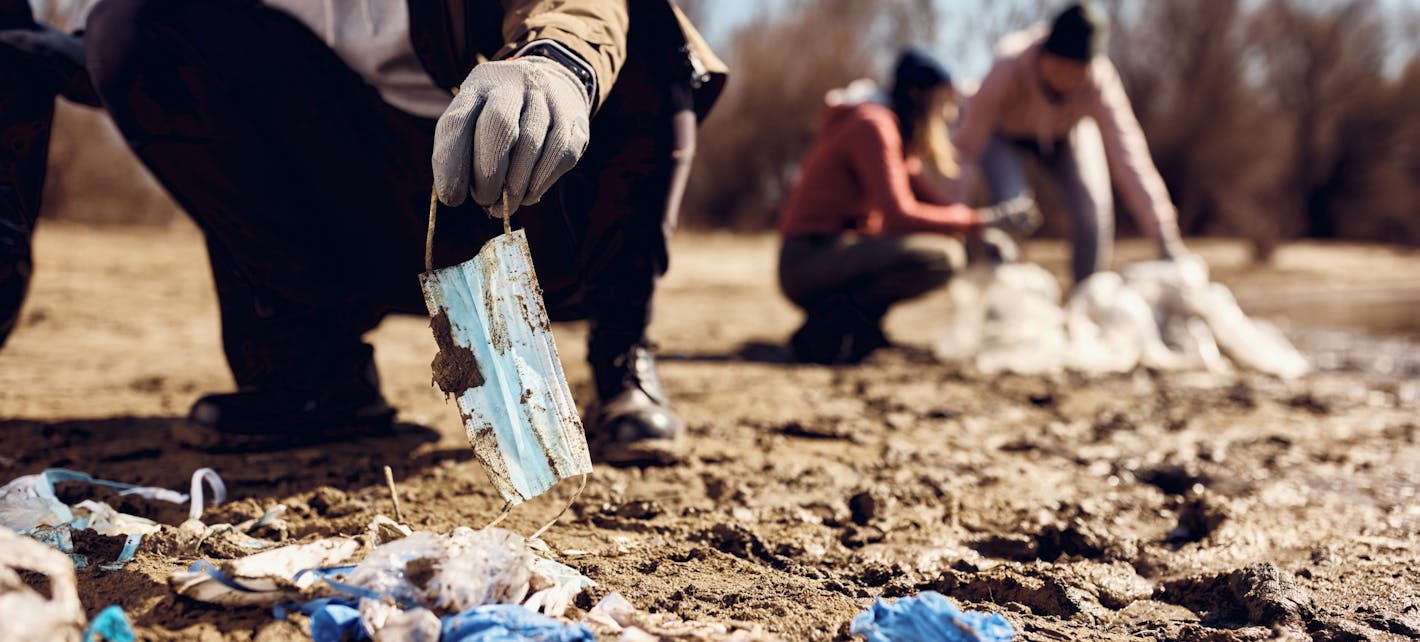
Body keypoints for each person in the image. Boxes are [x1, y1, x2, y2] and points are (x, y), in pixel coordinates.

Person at [0, 0, 726, 465]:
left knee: (647, 25)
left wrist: (558, 60)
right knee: (132, 22)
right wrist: (94, 58)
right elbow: (195, 60)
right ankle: (316, 374)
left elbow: (578, 6)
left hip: (534, 188)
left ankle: (622, 353)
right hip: (362, 202)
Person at [777, 48, 1035, 364]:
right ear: (917, 95)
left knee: (950, 247)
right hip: (806, 259)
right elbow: (899, 214)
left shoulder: (891, 129)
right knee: (941, 257)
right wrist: (980, 222)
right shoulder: (873, 125)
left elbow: (928, 200)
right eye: (945, 102)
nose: (950, 115)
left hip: (832, 253)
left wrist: (980, 230)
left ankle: (857, 328)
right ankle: (832, 327)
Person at [949, 2, 1188, 284]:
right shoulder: (1008, 64)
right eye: (1061, 69)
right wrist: (954, 220)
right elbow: (965, 149)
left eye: (1078, 72)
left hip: (1066, 135)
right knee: (1012, 205)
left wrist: (1164, 235)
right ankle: (1003, 286)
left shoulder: (1099, 80)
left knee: (1092, 208)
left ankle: (1088, 291)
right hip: (1002, 137)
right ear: (1044, 55)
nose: (1068, 80)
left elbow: (1129, 153)